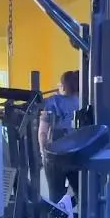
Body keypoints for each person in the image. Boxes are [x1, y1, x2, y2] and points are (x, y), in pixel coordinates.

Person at [38, 70, 82, 205]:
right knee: (83, 196)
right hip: (77, 156)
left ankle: (61, 211)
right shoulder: (85, 101)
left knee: (55, 199)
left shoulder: (53, 102)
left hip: (55, 156)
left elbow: (42, 132)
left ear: (63, 85)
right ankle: (73, 206)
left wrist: (44, 153)